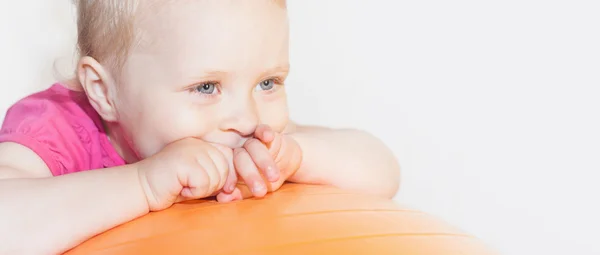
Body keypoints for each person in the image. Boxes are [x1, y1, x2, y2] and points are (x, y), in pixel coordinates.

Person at [0, 0, 400, 254]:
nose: (247, 117)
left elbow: (383, 173)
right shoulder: (59, 127)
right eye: (206, 87)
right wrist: (144, 184)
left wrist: (300, 156)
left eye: (268, 82)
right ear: (105, 91)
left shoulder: (252, 131)